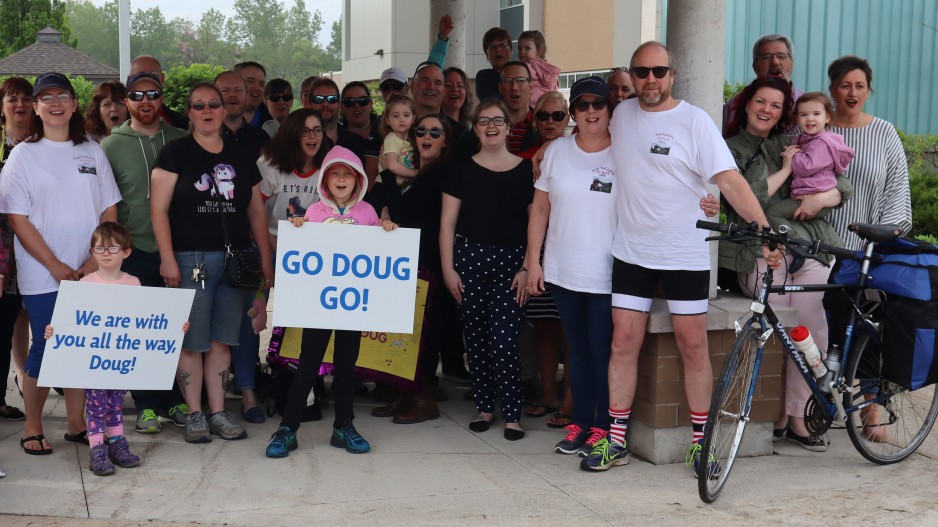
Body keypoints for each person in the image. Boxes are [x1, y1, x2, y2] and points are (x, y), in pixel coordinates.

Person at [578, 42, 779, 473]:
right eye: (642, 71)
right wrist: (545, 152)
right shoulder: (622, 115)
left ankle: (701, 443)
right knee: (622, 344)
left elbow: (728, 180)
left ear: (673, 75)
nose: (650, 79)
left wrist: (763, 231)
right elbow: (587, 138)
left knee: (692, 346)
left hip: (684, 254)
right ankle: (615, 442)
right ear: (631, 76)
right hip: (631, 252)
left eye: (659, 71)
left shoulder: (694, 121)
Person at [720, 77, 852, 452]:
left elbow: (843, 185)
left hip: (810, 246)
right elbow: (751, 197)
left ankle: (797, 415)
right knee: (776, 331)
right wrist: (787, 169)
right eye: (760, 101)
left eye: (775, 105)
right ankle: (772, 415)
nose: (766, 109)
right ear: (746, 105)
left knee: (811, 333)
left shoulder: (794, 142)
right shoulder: (728, 148)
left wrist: (823, 198)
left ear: (783, 113)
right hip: (759, 251)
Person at [0, 72, 122, 455]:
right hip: (43, 272)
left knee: (82, 346)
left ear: (73, 104)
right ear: (36, 107)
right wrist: (54, 264)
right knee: (47, 348)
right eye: (46, 98)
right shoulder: (22, 155)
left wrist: (93, 261)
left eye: (63, 96)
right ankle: (33, 426)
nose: (55, 104)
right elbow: (17, 219)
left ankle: (76, 423)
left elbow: (109, 209)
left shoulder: (92, 150)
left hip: (91, 268)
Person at [150, 83, 274, 444]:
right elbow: (157, 210)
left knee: (222, 341)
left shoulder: (240, 154)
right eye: (198, 106)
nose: (207, 111)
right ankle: (194, 414)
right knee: (191, 341)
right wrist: (168, 258)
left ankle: (218, 412)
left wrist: (266, 261)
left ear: (223, 110)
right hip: (191, 261)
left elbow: (255, 211)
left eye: (214, 105)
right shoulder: (175, 153)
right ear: (188, 113)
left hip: (234, 261)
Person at [265, 146, 397, 458]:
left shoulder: (367, 213)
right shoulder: (313, 213)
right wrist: (299, 228)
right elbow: (303, 248)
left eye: (347, 174)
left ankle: (344, 426)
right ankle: (288, 428)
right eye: (334, 173)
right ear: (325, 180)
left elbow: (378, 251)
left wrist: (386, 229)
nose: (341, 179)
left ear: (358, 179)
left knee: (346, 368)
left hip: (352, 308)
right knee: (307, 366)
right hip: (319, 308)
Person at [43, 223, 187, 475]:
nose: (106, 252)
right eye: (100, 248)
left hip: (120, 361)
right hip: (95, 360)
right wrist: (53, 332)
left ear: (126, 253)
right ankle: (98, 449)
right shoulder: (85, 284)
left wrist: (174, 326)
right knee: (97, 405)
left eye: (112, 247)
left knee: (117, 403)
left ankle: (117, 443)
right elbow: (72, 321)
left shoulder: (133, 283)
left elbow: (146, 321)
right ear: (92, 252)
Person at [526, 78, 616, 457]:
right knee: (576, 351)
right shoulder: (557, 152)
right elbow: (541, 209)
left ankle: (604, 426)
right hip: (564, 268)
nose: (591, 111)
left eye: (598, 104)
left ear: (610, 108)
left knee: (602, 350)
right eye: (582, 105)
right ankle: (580, 421)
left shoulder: (625, 152)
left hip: (608, 272)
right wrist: (534, 261)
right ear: (573, 112)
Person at [100, 71, 189, 434]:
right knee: (139, 331)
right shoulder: (110, 146)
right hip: (133, 250)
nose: (145, 101)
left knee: (172, 331)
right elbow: (106, 203)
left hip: (179, 249)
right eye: (137, 95)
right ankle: (147, 405)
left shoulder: (183, 139)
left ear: (162, 97)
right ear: (126, 102)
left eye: (152, 94)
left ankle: (172, 399)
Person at [440, 99, 533, 441]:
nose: (491, 126)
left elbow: (535, 225)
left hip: (512, 266)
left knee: (505, 341)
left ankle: (512, 414)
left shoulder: (526, 171)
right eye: (483, 121)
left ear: (509, 127)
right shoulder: (461, 169)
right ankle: (484, 408)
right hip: (469, 262)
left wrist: (528, 266)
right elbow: (446, 224)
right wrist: (448, 269)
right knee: (476, 339)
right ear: (475, 128)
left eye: (498, 120)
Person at [369, 113, 467, 423]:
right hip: (400, 263)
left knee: (422, 335)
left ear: (445, 140)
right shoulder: (406, 173)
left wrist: (385, 188)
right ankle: (404, 394)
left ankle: (424, 398)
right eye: (420, 130)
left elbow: (407, 211)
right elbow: (376, 198)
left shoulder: (446, 172)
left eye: (435, 132)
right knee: (401, 331)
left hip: (430, 264)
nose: (426, 136)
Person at [518, 91, 573, 428]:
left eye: (558, 115)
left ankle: (570, 400)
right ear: (534, 120)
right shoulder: (523, 159)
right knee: (544, 326)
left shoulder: (581, 150)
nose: (551, 122)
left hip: (572, 247)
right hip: (537, 248)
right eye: (544, 116)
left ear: (568, 118)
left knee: (570, 328)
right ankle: (548, 394)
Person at [826, 55, 911, 250]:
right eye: (845, 85)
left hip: (866, 251)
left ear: (868, 90)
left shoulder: (884, 132)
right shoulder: (813, 130)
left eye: (860, 86)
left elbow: (897, 192)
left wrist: (879, 242)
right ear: (832, 89)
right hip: (816, 250)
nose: (853, 93)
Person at [764, 92, 855, 242]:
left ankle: (794, 242)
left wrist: (792, 156)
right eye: (804, 114)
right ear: (797, 119)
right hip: (811, 193)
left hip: (811, 195)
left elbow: (806, 167)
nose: (810, 118)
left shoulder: (821, 142)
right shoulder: (811, 140)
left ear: (827, 117)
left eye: (816, 114)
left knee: (773, 213)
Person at [0, 76, 33, 423]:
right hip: (3, 246)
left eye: (26, 97)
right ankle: (18, 378)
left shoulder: (43, 142)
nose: (20, 104)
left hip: (39, 242)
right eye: (12, 98)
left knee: (38, 311)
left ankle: (36, 376)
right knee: (9, 317)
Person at [723, 34, 803, 132]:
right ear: (755, 66)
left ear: (792, 63)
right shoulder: (733, 108)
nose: (775, 62)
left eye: (781, 56)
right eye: (766, 57)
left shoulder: (810, 104)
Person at [214, 71, 270, 162]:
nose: (232, 95)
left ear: (246, 96)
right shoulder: (202, 138)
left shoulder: (261, 137)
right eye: (225, 90)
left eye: (238, 90)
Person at [339, 81, 381, 188]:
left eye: (363, 101)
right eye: (350, 102)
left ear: (371, 104)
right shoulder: (337, 140)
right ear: (341, 107)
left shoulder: (385, 130)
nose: (357, 106)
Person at [129, 55, 188, 129]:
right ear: (130, 79)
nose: (147, 80)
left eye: (153, 75)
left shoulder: (180, 123)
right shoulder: (120, 118)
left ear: (162, 78)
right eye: (140, 75)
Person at [498, 62, 540, 155]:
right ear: (500, 88)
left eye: (521, 80)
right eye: (507, 80)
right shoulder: (487, 124)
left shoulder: (542, 124)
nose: (514, 87)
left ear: (531, 87)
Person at [380, 94, 417, 186]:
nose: (401, 119)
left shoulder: (410, 140)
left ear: (413, 119)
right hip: (384, 187)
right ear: (388, 120)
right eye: (396, 116)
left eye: (406, 115)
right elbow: (392, 165)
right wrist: (414, 173)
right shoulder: (392, 139)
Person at [517, 30, 560, 105]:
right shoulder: (543, 67)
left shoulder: (528, 65)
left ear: (539, 51)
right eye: (519, 49)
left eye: (527, 48)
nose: (522, 51)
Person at [476, 27, 512, 102]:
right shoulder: (483, 76)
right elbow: (491, 102)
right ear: (487, 55)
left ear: (511, 51)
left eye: (502, 45)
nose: (497, 49)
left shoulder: (522, 74)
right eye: (492, 47)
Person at [234, 61, 271, 128]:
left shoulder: (273, 127)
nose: (257, 88)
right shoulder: (215, 122)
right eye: (250, 81)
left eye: (261, 84)